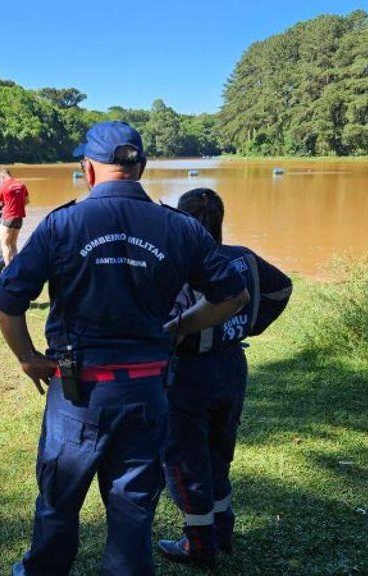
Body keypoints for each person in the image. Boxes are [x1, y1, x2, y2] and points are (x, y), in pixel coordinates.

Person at [0, 121, 250, 576]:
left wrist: (28, 357)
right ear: (141, 168)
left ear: (87, 169)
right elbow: (234, 295)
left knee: (58, 503)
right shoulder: (180, 227)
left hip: (78, 396)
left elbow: (6, 298)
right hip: (148, 393)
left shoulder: (62, 224)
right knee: (132, 512)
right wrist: (179, 327)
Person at [158, 187, 292, 567]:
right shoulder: (241, 258)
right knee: (219, 451)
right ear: (220, 219)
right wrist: (251, 324)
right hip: (232, 368)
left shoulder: (180, 264)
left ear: (180, 220)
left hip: (189, 374)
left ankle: (199, 543)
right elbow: (282, 288)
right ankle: (223, 530)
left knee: (185, 459)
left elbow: (162, 319)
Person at [0, 167, 30, 265]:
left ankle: (7, 270)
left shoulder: (4, 186)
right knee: (13, 245)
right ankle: (16, 268)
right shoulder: (21, 185)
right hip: (19, 218)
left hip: (8, 217)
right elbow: (27, 201)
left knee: (4, 244)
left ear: (2, 177)